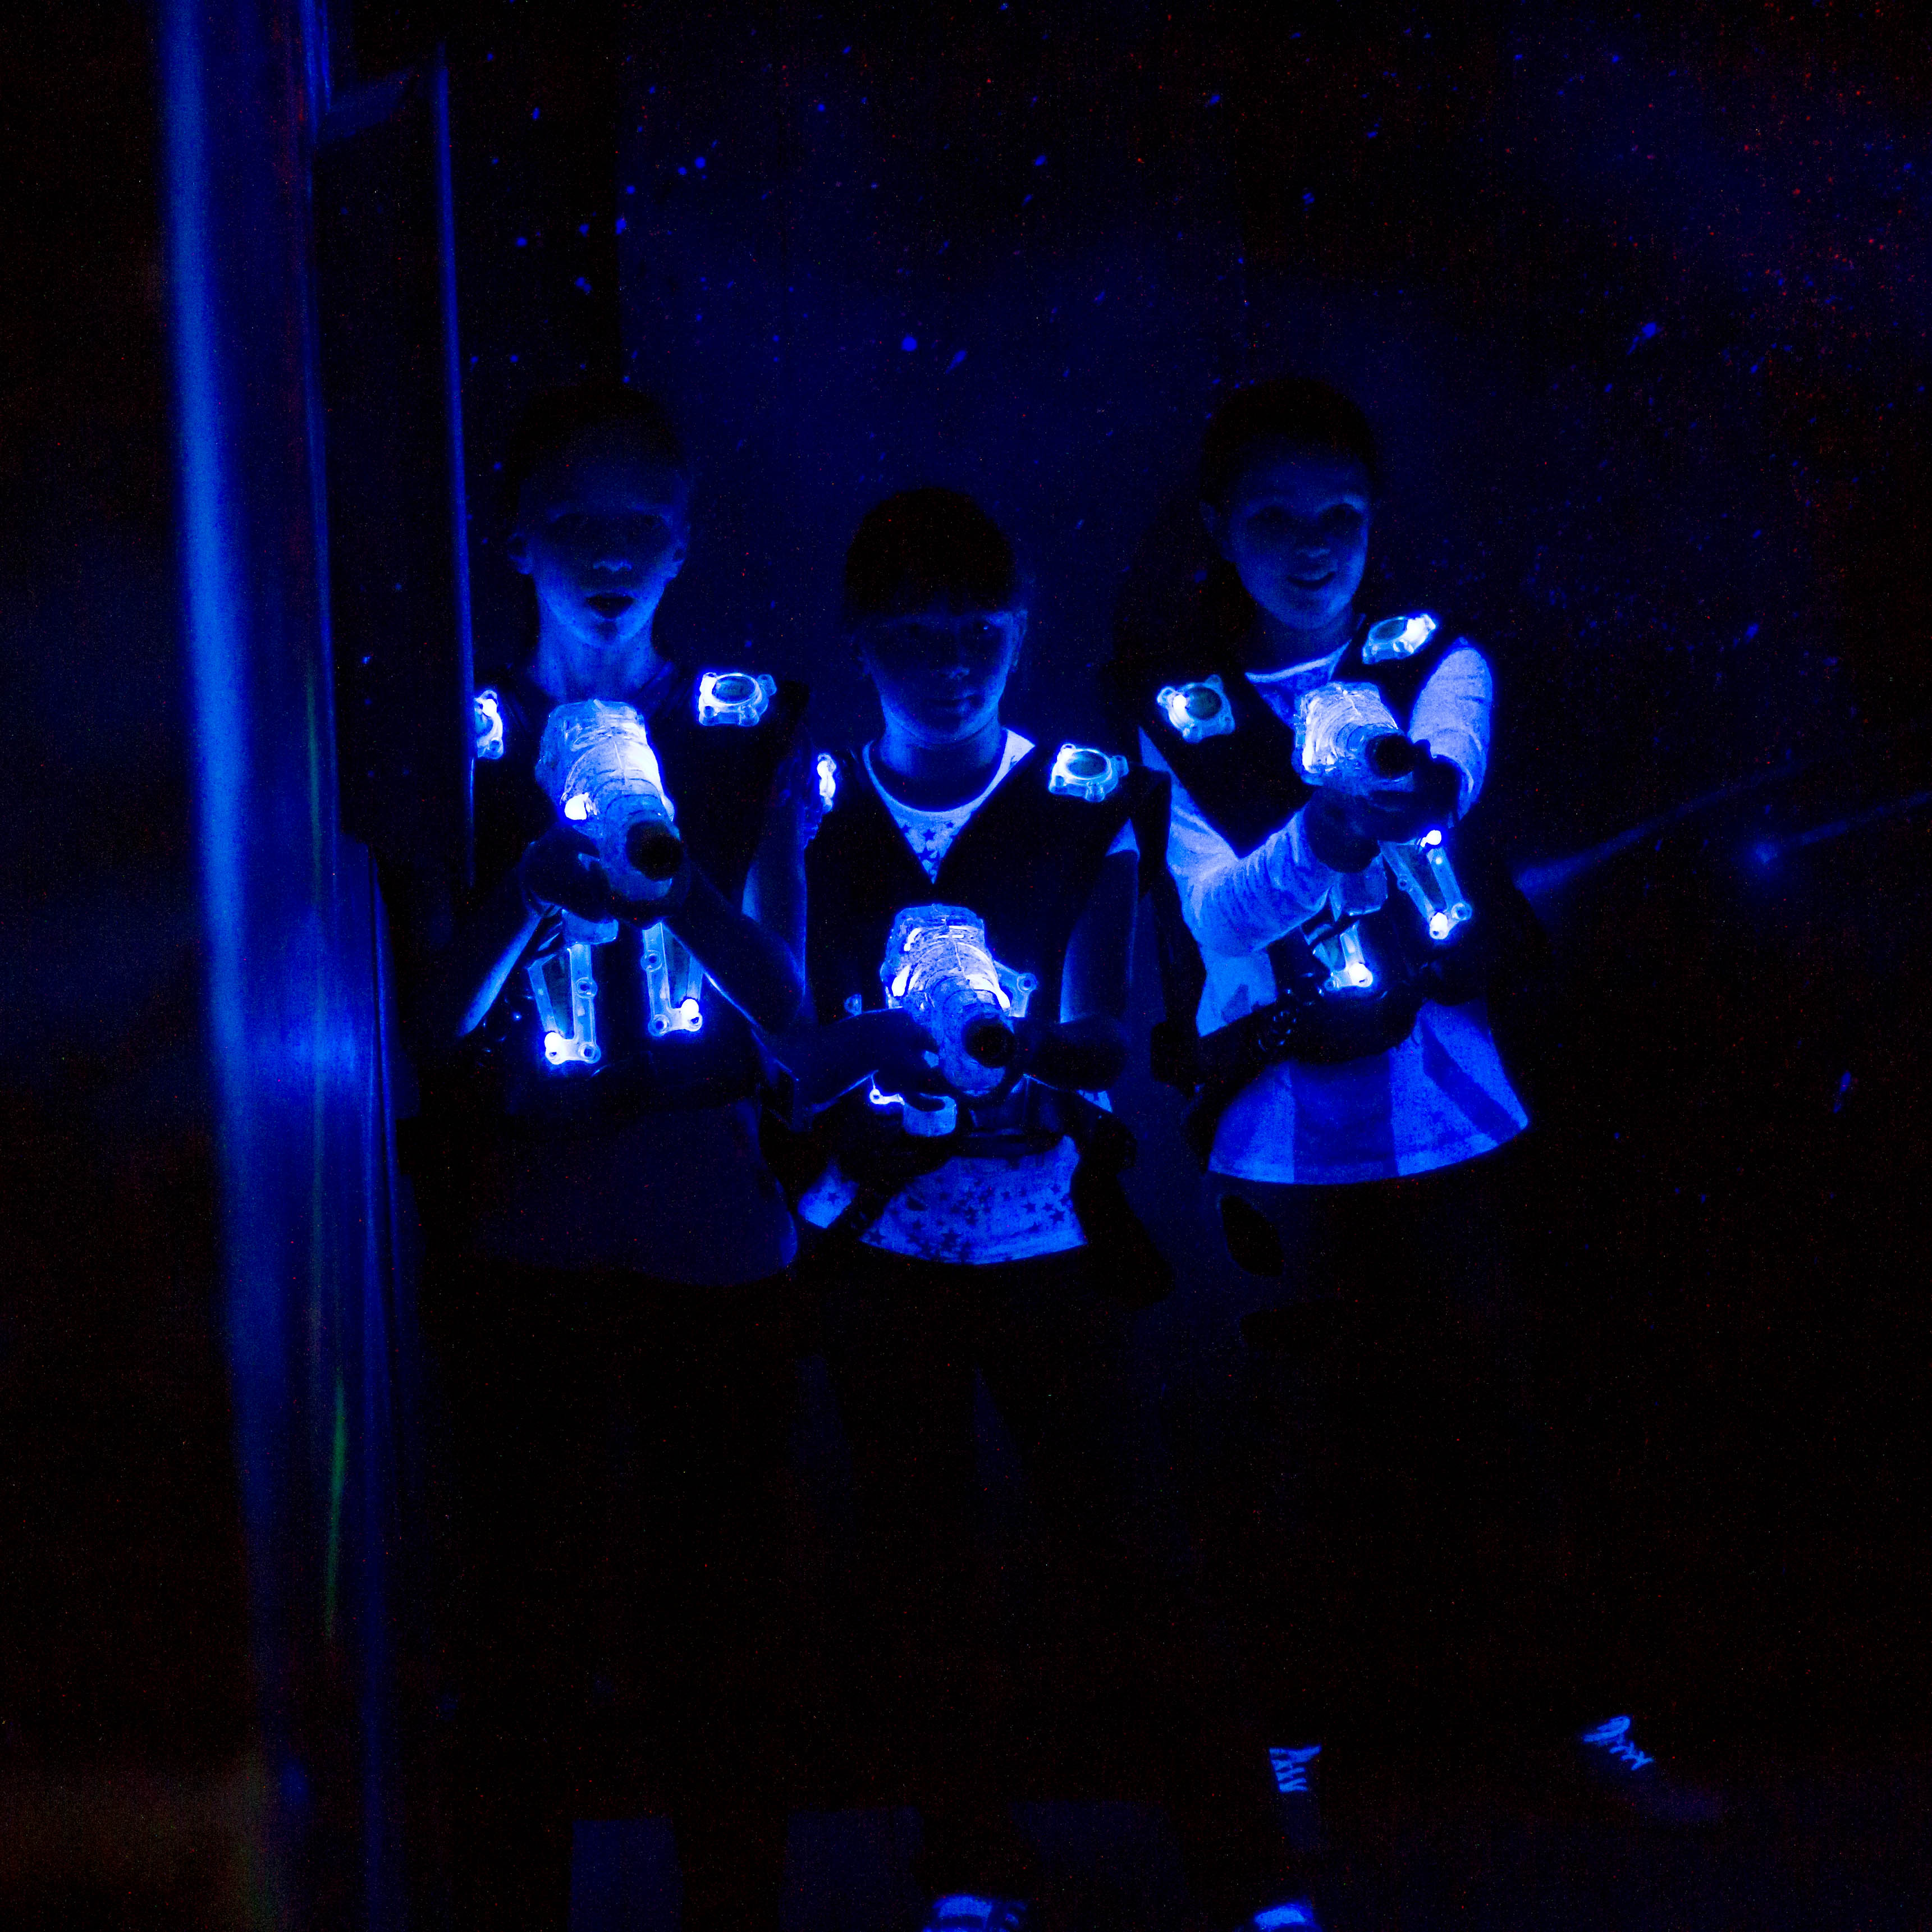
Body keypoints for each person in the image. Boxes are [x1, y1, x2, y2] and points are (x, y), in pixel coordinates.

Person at [1112, 377, 1720, 1921]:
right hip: (1277, 1142)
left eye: (1340, 515)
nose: (1311, 544)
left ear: (1375, 519)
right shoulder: (1174, 717)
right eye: (1274, 517)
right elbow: (1213, 915)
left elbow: (1451, 767)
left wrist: (1374, 806)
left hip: (1451, 1118)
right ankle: (1283, 1763)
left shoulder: (1433, 658)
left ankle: (1588, 1723)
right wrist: (1321, 836)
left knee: (1507, 1428)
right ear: (1216, 528)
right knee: (1290, 1464)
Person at [789, 488, 1310, 1932]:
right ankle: (967, 1858)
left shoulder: (1086, 793)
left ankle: (1248, 1866)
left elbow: (1101, 1027)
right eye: (917, 634)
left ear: (1020, 631)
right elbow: (786, 1029)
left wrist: (1016, 1058)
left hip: (1042, 1230)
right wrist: (879, 1058)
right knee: (918, 1558)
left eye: (979, 631)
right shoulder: (812, 802)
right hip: (877, 1234)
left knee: (1140, 1551)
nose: (952, 662)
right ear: (860, 639)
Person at [410, 384, 813, 1932]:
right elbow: (424, 1025)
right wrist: (526, 895)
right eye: (574, 519)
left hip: (714, 1233)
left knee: (728, 1629)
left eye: (640, 520)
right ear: (513, 534)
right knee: (525, 1633)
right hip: (530, 1237)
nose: (609, 550)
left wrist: (674, 887)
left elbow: (791, 1011)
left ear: (687, 537)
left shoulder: (745, 725)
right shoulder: (459, 734)